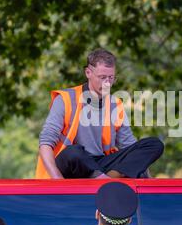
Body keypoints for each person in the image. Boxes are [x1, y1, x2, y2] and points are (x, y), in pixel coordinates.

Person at [36, 49, 164, 179]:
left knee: (154, 144)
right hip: (72, 166)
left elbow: (130, 148)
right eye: (102, 77)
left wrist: (147, 178)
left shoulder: (116, 104)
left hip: (101, 164)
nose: (107, 83)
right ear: (88, 73)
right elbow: (46, 141)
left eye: (111, 78)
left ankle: (106, 179)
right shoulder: (65, 99)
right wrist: (57, 179)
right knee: (73, 152)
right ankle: (103, 179)